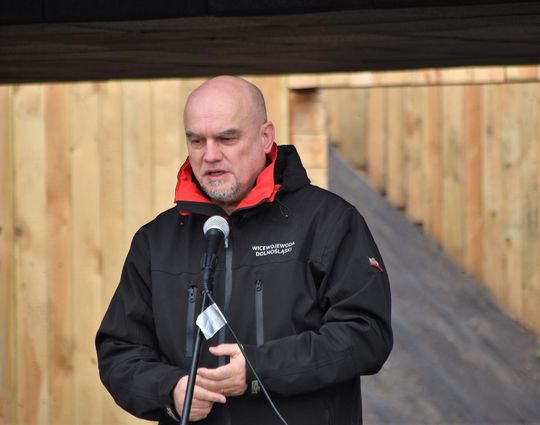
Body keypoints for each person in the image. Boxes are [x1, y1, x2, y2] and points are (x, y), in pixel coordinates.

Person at [96, 76, 392, 425]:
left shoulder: (329, 221)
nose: (210, 156)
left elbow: (366, 334)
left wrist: (258, 370)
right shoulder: (156, 240)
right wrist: (171, 390)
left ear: (265, 137)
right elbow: (120, 351)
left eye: (227, 138)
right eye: (196, 140)